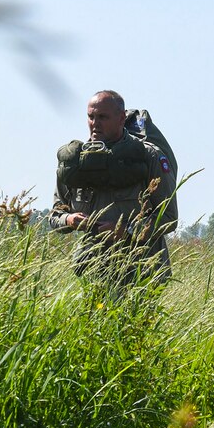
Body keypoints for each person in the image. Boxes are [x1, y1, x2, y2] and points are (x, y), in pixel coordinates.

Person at [51, 90, 178, 286]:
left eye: (103, 117)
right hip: (94, 272)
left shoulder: (149, 157)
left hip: (143, 272)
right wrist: (70, 220)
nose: (95, 123)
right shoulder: (73, 163)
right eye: (91, 117)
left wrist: (126, 230)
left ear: (121, 118)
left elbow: (169, 218)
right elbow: (55, 215)